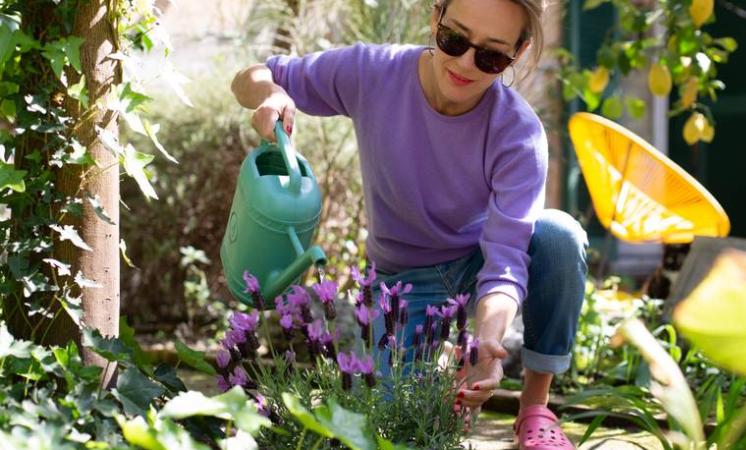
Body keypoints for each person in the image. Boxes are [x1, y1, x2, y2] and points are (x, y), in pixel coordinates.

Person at [231, 0, 588, 448]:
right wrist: (270, 94)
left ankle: (535, 409)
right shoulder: (374, 72)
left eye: (490, 56)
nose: (464, 63)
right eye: (454, 39)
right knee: (396, 425)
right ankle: (441, 392)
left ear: (518, 52)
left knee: (558, 235)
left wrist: (487, 342)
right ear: (434, 18)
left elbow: (506, 258)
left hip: (477, 266)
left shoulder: (517, 133)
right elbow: (252, 75)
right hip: (403, 280)